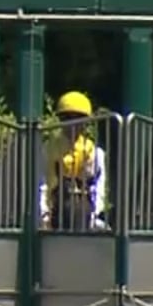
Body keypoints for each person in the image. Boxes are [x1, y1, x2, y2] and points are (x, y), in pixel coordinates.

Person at [37, 90, 109, 231]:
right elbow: (42, 183)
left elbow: (98, 184)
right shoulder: (49, 149)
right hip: (55, 210)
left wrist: (95, 211)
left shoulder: (94, 152)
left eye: (78, 118)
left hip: (86, 210)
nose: (73, 123)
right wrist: (44, 213)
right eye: (68, 118)